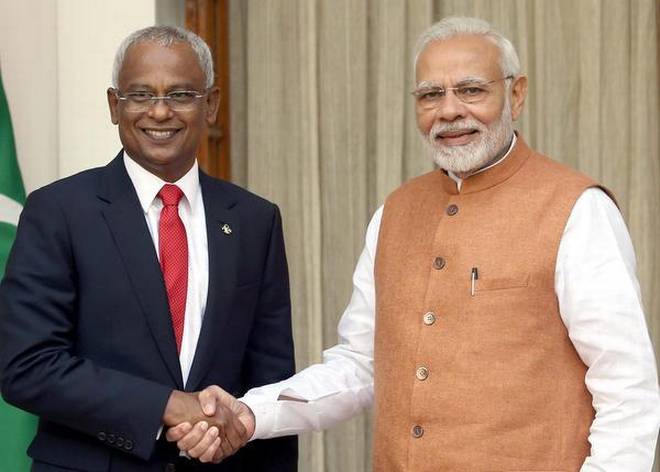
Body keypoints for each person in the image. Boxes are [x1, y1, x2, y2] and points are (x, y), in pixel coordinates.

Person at [168, 16, 660, 471]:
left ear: (516, 96)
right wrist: (251, 414)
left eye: (471, 90)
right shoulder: (395, 212)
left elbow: (628, 391)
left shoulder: (578, 209)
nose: (450, 111)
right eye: (430, 95)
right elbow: (361, 366)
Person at [0, 26, 297, 471]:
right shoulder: (58, 211)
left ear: (211, 104)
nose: (160, 112)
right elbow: (26, 366)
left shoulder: (255, 221)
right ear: (114, 106)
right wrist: (168, 406)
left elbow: (270, 380)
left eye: (180, 95)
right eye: (140, 95)